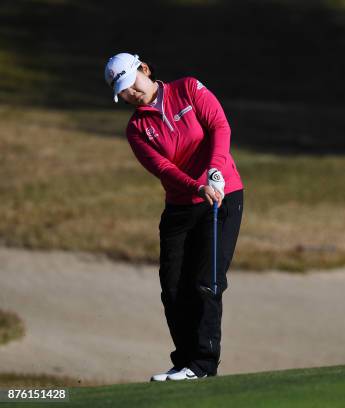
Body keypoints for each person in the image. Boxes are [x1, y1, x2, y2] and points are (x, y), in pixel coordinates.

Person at [104, 52, 244, 381]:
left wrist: (214, 171)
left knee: (206, 282)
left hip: (223, 196)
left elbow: (220, 126)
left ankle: (203, 366)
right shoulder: (136, 129)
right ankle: (184, 361)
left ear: (145, 69)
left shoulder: (188, 89)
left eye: (132, 83)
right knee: (172, 287)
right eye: (123, 91)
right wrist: (197, 187)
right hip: (182, 205)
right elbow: (164, 169)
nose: (131, 93)